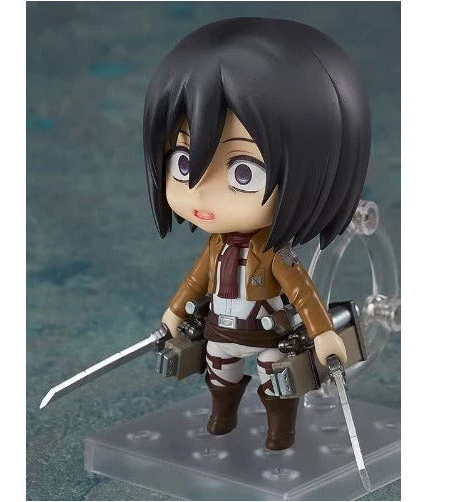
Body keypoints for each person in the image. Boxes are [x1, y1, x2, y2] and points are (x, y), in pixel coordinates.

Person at [143, 17, 370, 450]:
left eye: (242, 171)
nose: (200, 190)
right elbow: (196, 281)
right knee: (219, 374)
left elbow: (302, 292)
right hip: (221, 331)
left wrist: (323, 334)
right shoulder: (216, 246)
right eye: (184, 163)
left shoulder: (274, 252)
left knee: (278, 383)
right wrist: (174, 313)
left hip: (268, 333)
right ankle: (222, 416)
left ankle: (280, 432)